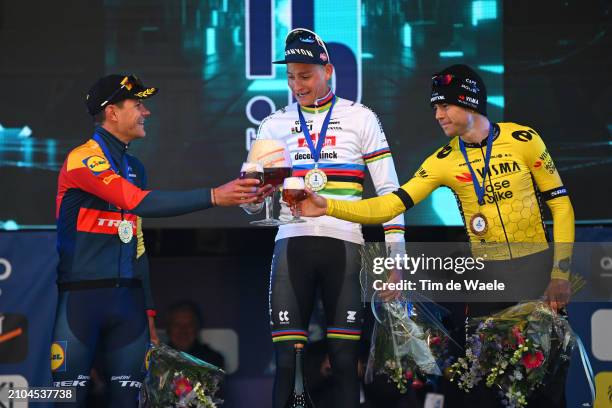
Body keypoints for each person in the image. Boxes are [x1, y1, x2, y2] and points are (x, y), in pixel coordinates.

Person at [296, 64, 575, 407]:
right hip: (488, 282)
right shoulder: (442, 161)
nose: (438, 115)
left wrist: (559, 273)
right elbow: (391, 205)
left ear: (469, 102)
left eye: (444, 106)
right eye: (434, 108)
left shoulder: (524, 140)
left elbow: (561, 208)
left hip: (537, 271)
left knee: (547, 385)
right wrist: (328, 206)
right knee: (486, 390)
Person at [52, 74, 267, 407]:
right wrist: (213, 196)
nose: (146, 112)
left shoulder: (134, 166)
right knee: (67, 401)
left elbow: (136, 242)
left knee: (130, 403)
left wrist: (149, 314)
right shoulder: (83, 158)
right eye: (138, 105)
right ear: (112, 112)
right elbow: (138, 202)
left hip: (128, 306)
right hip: (81, 302)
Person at [256, 28, 406, 408]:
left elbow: (390, 194)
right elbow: (255, 204)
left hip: (347, 247)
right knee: (287, 362)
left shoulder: (362, 118)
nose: (297, 85)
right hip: (292, 244)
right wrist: (254, 194)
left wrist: (397, 260)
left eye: (304, 75)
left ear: (329, 71)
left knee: (343, 362)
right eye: (290, 76)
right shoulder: (273, 124)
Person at [166, 300, 225, 369]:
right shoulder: (156, 359)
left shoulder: (213, 360)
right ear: (168, 328)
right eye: (177, 325)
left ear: (197, 328)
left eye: (189, 325)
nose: (183, 330)